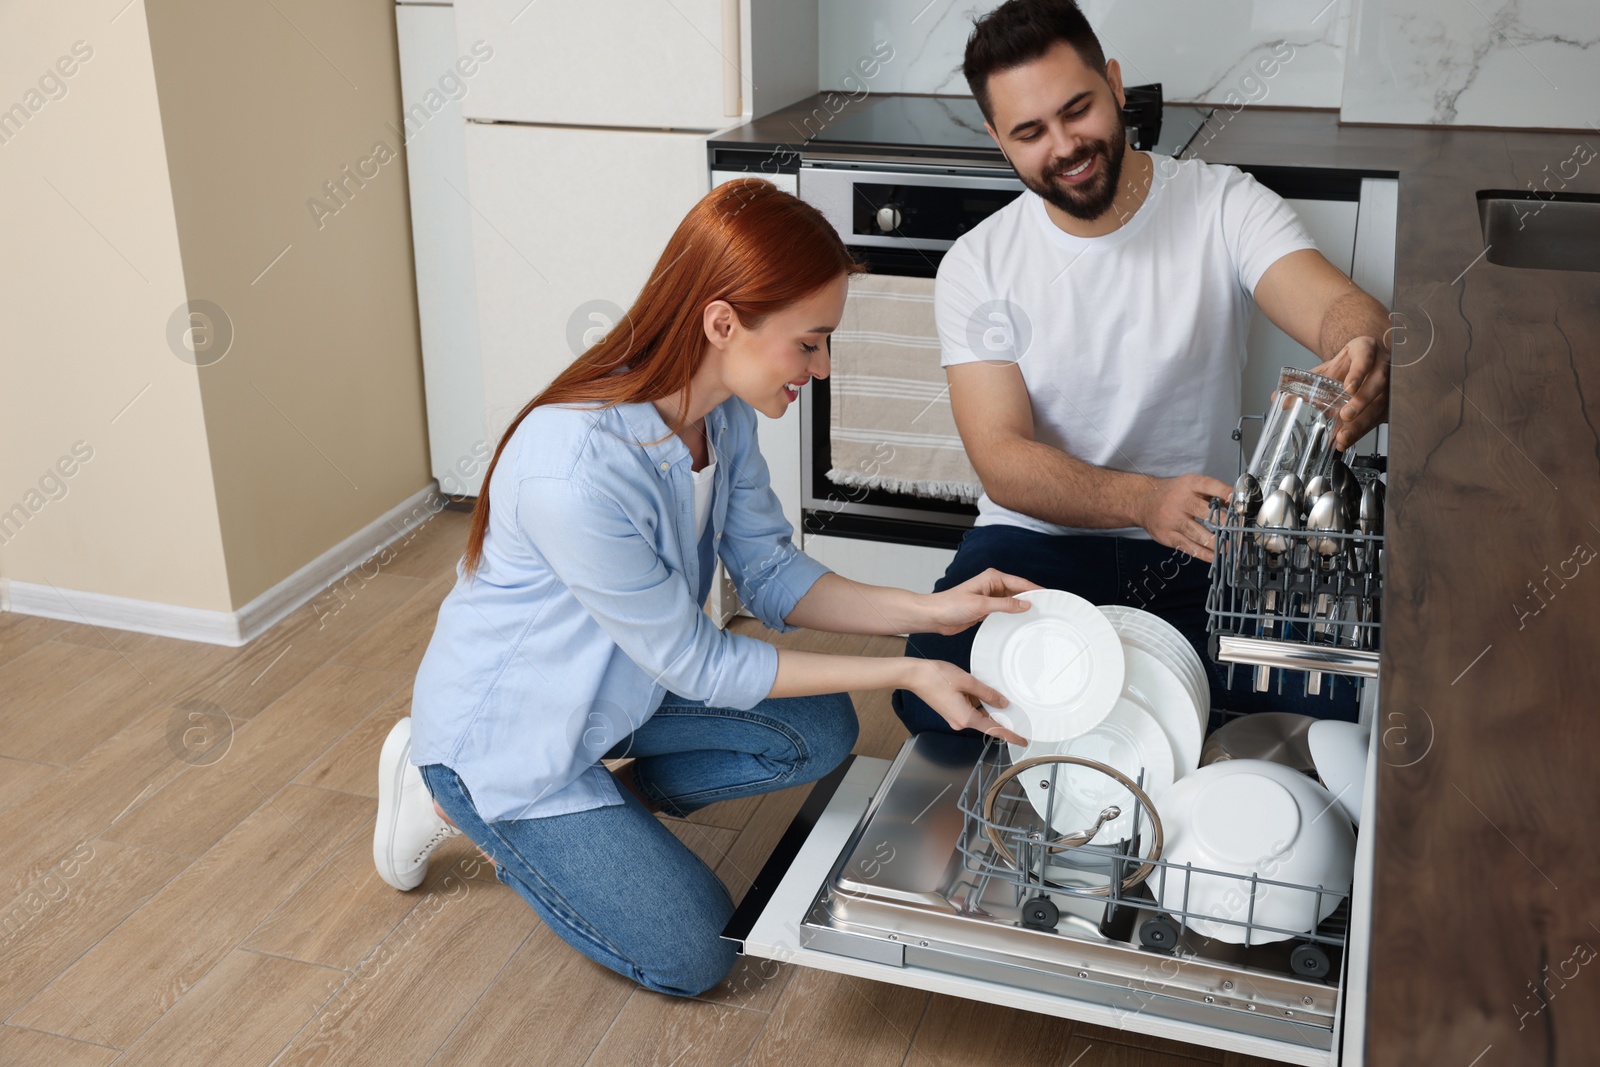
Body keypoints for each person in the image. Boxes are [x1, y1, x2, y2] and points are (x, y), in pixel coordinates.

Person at [371, 180, 1039, 998]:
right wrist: (906, 668)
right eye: (810, 343)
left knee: (820, 730)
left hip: (623, 689)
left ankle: (607, 815)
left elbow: (769, 575)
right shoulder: (572, 473)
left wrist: (933, 612)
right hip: (511, 748)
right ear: (724, 323)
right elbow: (700, 665)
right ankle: (441, 790)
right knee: (697, 954)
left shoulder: (722, 415)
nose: (822, 368)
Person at [893, 0, 1392, 736]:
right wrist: (1142, 500)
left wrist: (1366, 347)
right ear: (1000, 141)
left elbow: (1339, 308)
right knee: (936, 700)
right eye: (1030, 132)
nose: (1065, 145)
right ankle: (1138, 712)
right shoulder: (978, 262)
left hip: (1200, 543)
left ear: (1116, 85)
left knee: (1338, 702)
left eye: (1078, 109)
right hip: (1034, 549)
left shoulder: (1223, 203)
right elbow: (1002, 460)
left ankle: (1119, 712)